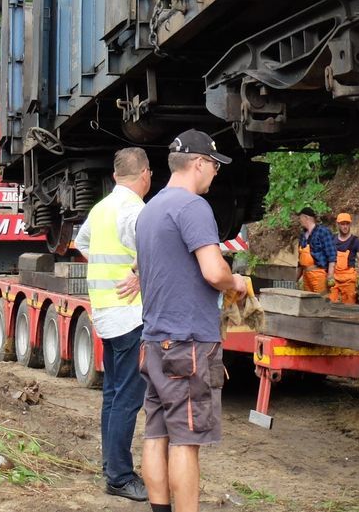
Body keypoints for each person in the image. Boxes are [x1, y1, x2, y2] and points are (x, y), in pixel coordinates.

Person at [135, 129, 247, 512]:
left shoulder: (150, 209)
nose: (216, 174)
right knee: (186, 439)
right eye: (214, 166)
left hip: (154, 341)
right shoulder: (193, 208)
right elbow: (214, 272)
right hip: (188, 345)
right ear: (199, 163)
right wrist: (239, 282)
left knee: (156, 432)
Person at [76, 147, 151, 502]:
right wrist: (135, 274)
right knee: (127, 398)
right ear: (145, 174)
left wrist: (115, 273)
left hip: (105, 312)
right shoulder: (135, 209)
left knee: (112, 395)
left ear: (116, 175)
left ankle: (111, 466)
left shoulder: (101, 207)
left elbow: (82, 243)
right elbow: (155, 254)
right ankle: (120, 476)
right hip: (130, 315)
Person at [295, 206, 335, 294]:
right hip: (306, 275)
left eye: (300, 218)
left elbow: (332, 255)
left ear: (306, 218)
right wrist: (296, 278)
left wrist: (330, 275)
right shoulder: (302, 236)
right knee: (308, 303)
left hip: (319, 274)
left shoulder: (323, 232)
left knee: (321, 301)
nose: (300, 220)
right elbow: (300, 260)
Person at [328, 212, 359, 304]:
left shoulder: (355, 241)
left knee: (349, 307)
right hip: (335, 278)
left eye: (347, 224)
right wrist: (329, 275)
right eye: (342, 224)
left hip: (349, 279)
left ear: (350, 224)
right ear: (338, 224)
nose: (345, 226)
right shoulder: (332, 239)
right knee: (329, 304)